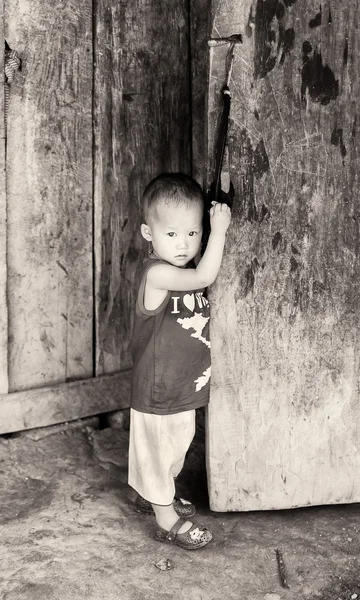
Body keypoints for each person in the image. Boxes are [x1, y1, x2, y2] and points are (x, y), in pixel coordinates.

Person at [128, 172, 231, 550]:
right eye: (171, 234)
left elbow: (197, 272)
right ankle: (165, 517)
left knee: (173, 447)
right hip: (157, 386)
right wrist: (218, 230)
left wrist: (208, 234)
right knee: (158, 448)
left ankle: (155, 494)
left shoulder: (181, 270)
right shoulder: (157, 274)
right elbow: (207, 274)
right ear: (147, 233)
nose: (183, 243)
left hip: (181, 383)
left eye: (192, 233)